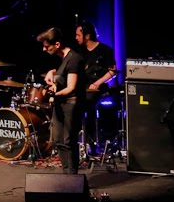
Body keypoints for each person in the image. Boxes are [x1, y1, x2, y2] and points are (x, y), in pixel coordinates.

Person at [39, 27, 87, 175]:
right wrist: (52, 73)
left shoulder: (74, 58)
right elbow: (63, 77)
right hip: (61, 104)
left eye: (47, 47)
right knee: (58, 140)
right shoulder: (64, 58)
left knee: (68, 141)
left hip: (71, 105)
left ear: (57, 44)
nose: (44, 49)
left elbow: (71, 88)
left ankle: (72, 176)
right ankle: (66, 175)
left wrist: (53, 94)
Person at [75, 20, 119, 156]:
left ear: (87, 36)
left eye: (78, 35)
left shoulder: (105, 50)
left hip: (100, 89)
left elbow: (112, 71)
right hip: (84, 88)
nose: (76, 38)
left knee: (89, 103)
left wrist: (98, 83)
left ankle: (93, 142)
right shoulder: (79, 52)